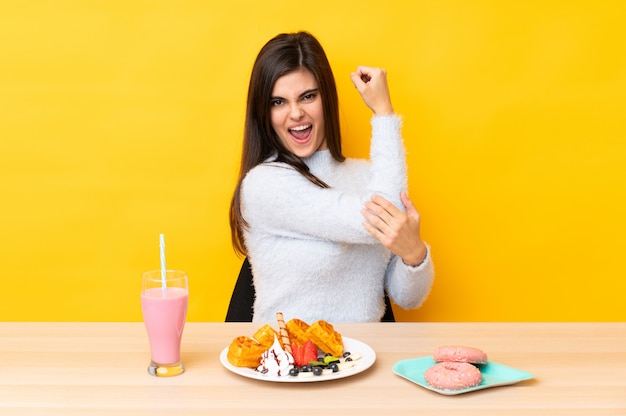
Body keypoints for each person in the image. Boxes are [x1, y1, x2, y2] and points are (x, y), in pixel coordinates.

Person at [229, 31, 434, 323]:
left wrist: (415, 253)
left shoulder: (368, 177)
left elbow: (407, 297)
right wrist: (384, 113)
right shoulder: (265, 184)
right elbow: (383, 218)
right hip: (290, 363)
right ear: (264, 113)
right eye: (278, 102)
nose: (296, 113)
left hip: (364, 360)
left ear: (327, 98)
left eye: (307, 96)